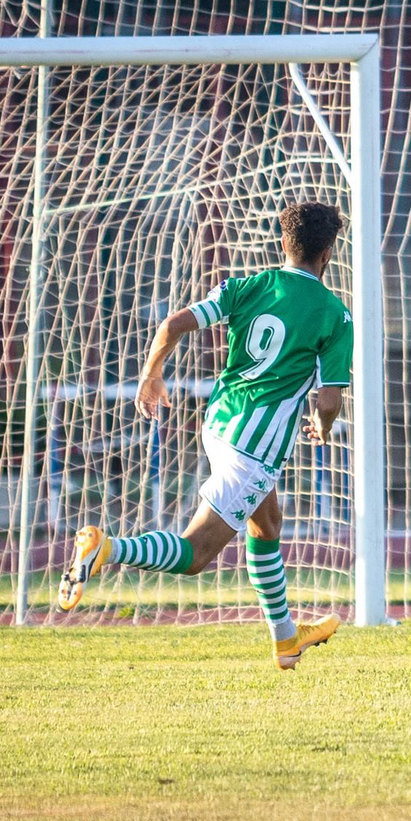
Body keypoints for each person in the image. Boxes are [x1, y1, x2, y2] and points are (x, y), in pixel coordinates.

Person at [57, 200, 353, 671]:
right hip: (255, 449)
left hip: (218, 425)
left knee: (266, 524)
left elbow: (173, 323)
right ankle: (107, 548)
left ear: (283, 244)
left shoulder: (247, 286)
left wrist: (151, 375)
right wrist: (323, 424)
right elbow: (330, 399)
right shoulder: (335, 315)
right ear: (329, 253)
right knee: (196, 555)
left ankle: (285, 640)